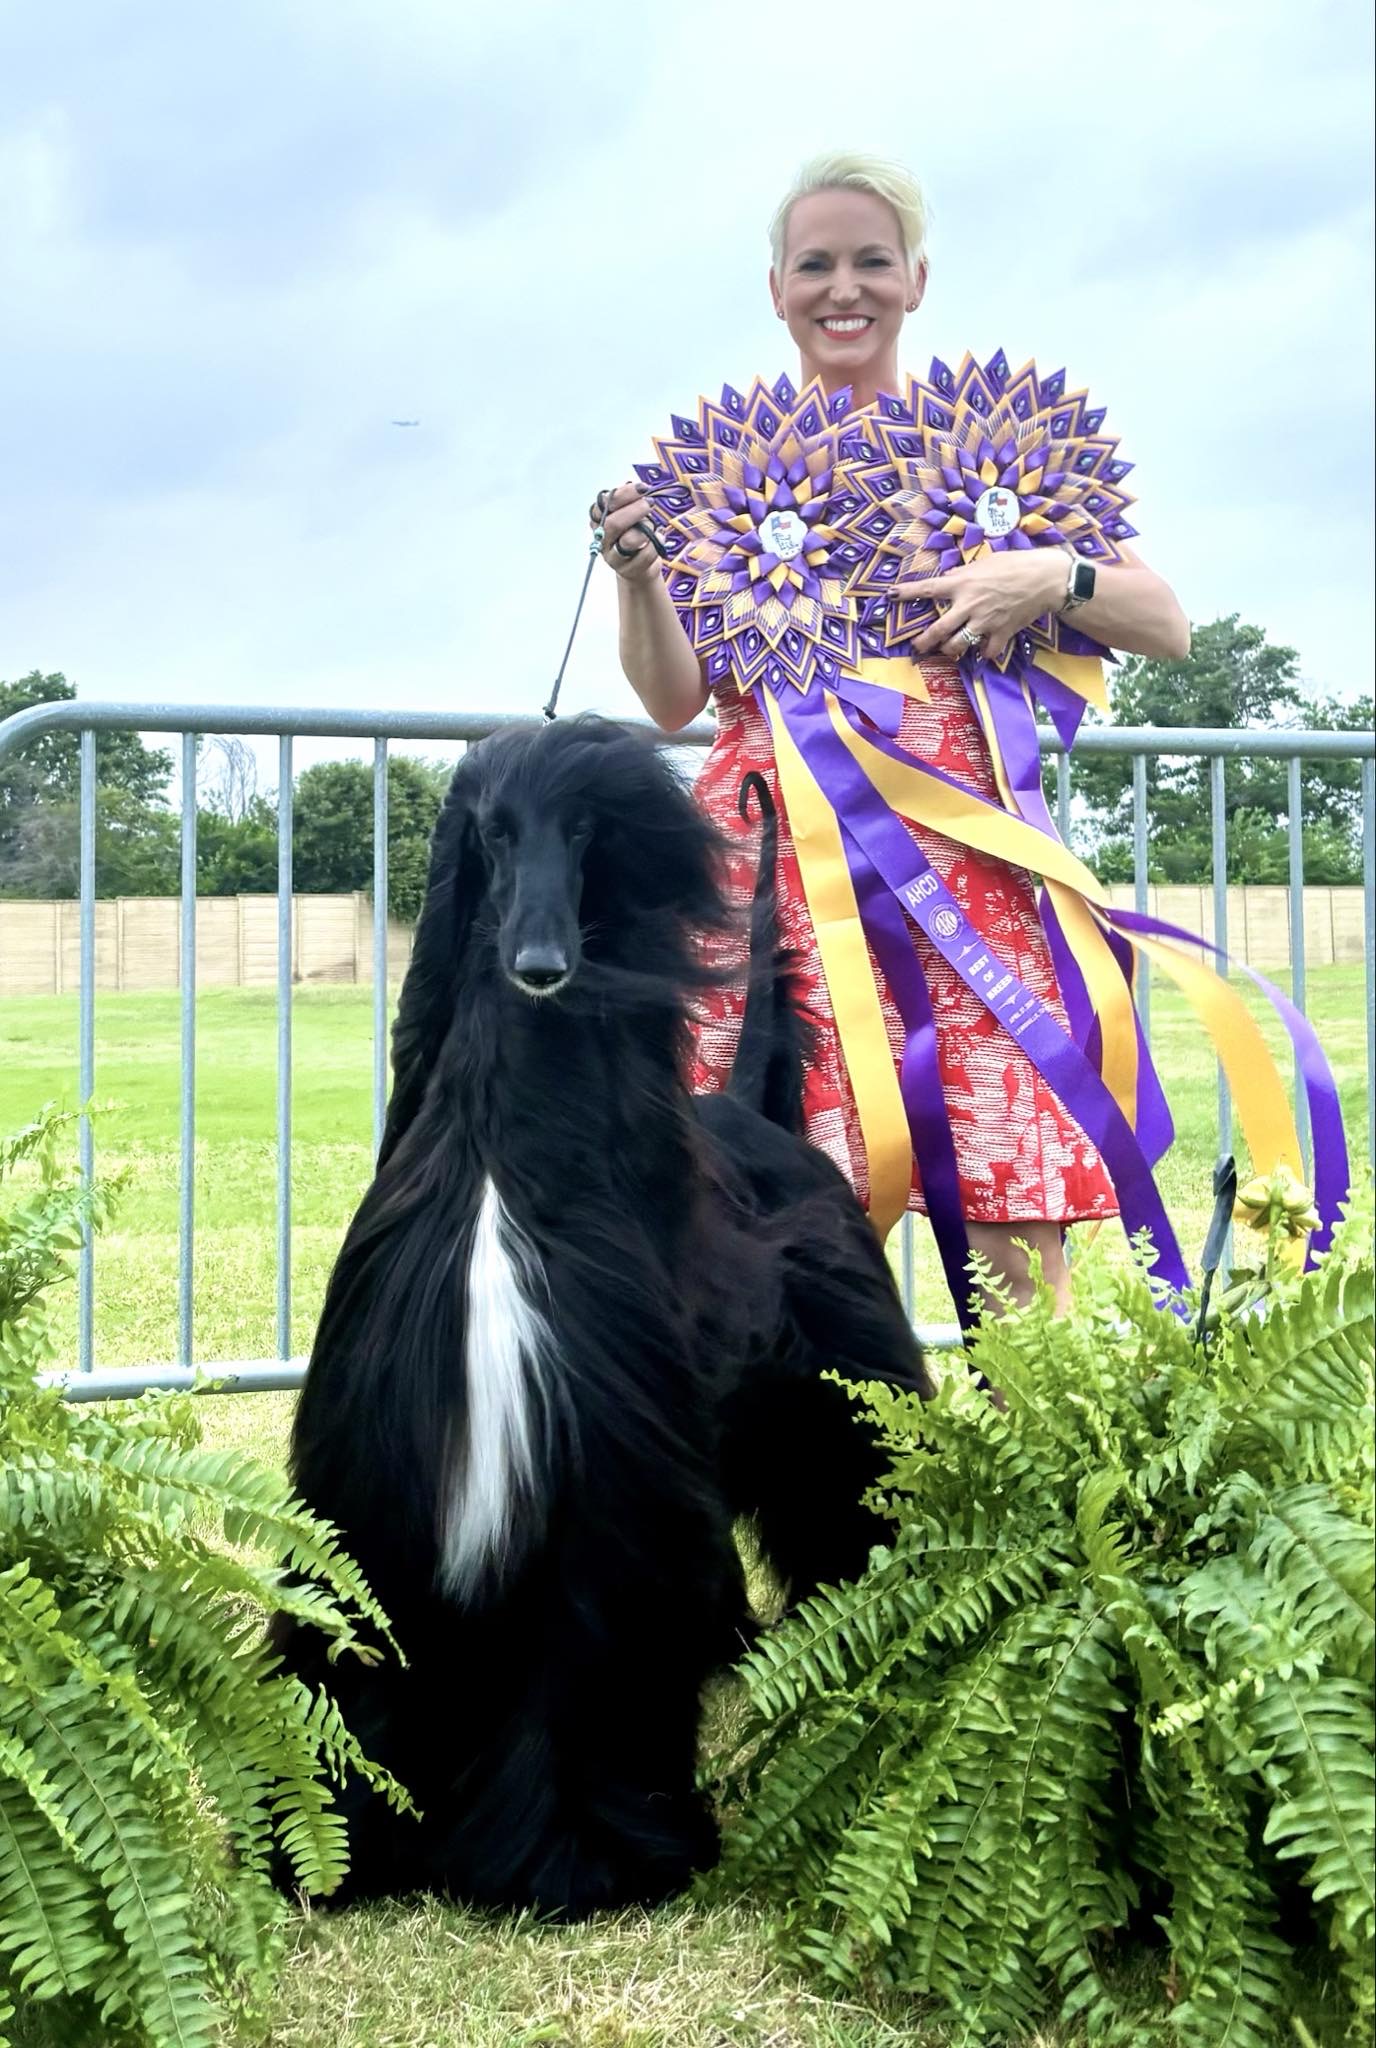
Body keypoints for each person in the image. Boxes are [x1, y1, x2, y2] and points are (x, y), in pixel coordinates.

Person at [593, 152, 1190, 1316]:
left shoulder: (995, 454)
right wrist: (636, 576)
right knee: (750, 1211)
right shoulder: (722, 470)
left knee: (1008, 1216)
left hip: (967, 877)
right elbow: (671, 699)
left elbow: (1163, 622)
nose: (842, 287)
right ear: (775, 288)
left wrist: (1049, 574)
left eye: (871, 260)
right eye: (813, 263)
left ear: (916, 279)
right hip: (769, 881)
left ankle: (1030, 1436)